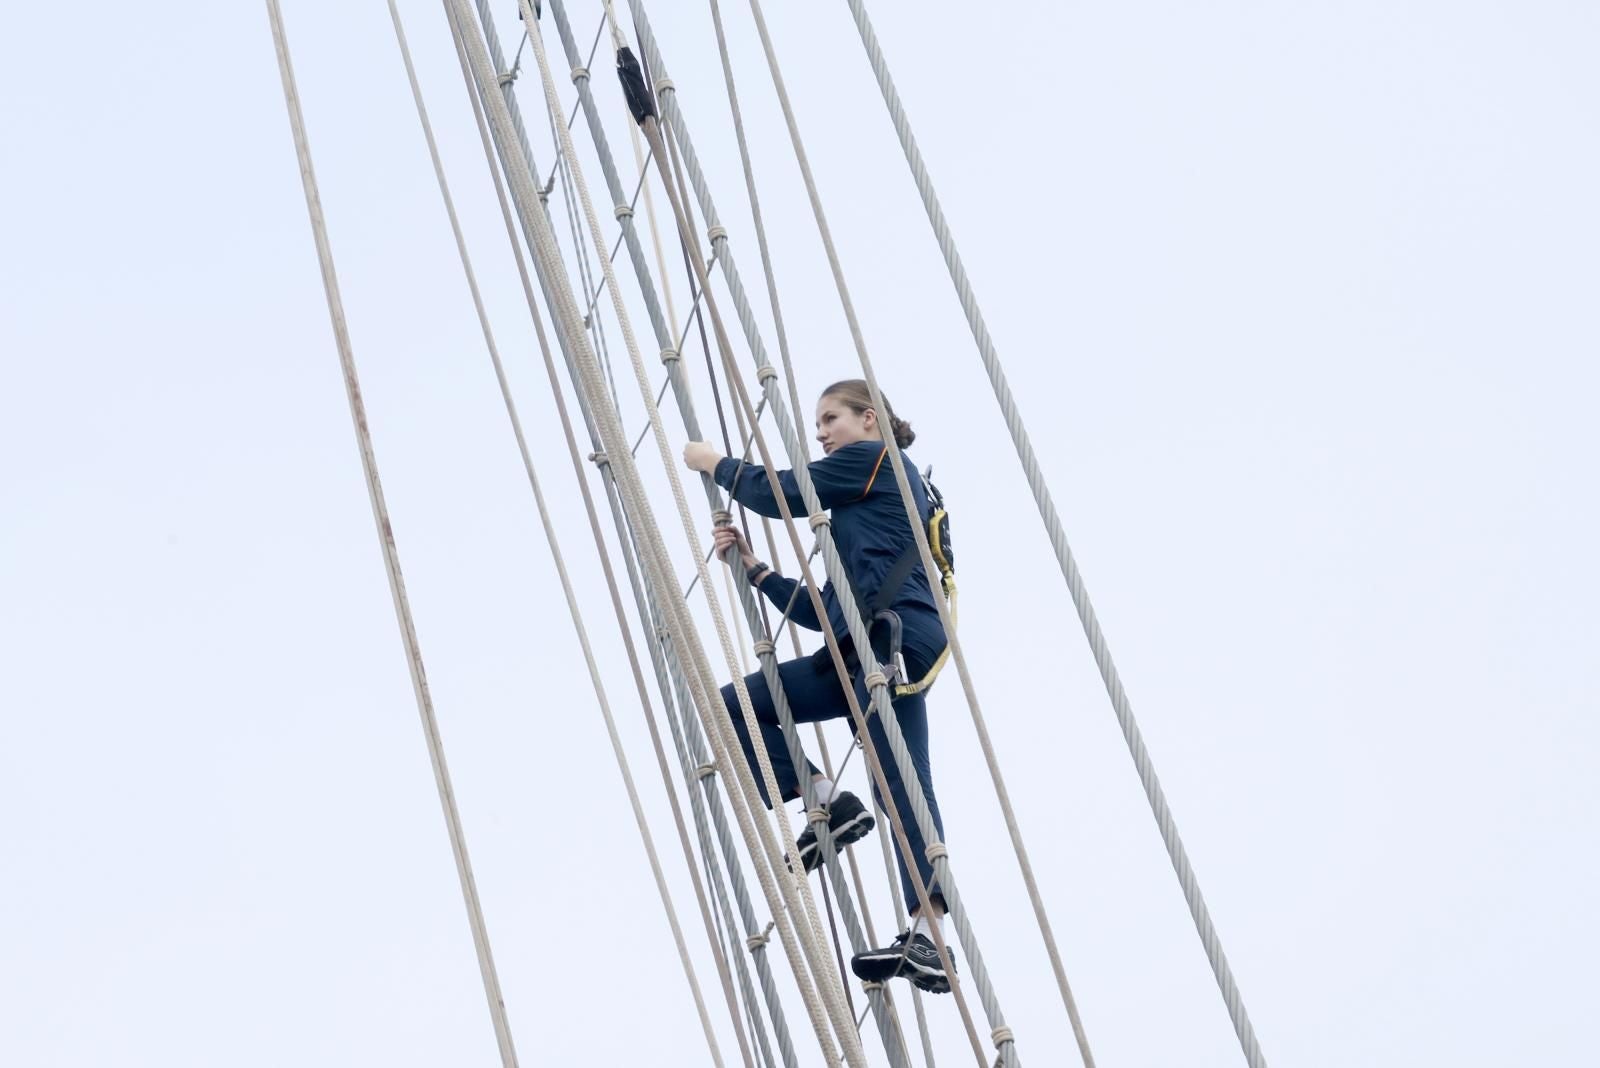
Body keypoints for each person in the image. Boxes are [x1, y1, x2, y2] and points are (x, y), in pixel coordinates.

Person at [681, 379, 954, 994]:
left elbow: (778, 492)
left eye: (831, 419)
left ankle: (931, 935)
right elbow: (824, 614)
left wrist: (713, 463)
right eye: (819, 424)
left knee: (902, 777)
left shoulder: (878, 461)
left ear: (870, 421)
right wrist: (755, 569)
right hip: (859, 642)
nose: (823, 433)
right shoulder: (860, 517)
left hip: (896, 641)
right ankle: (827, 803)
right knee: (737, 707)